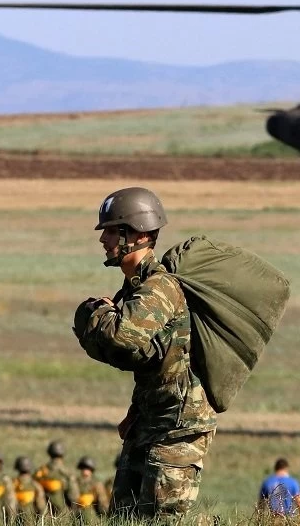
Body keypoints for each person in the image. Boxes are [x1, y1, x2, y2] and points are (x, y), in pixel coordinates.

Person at [73, 187, 218, 522]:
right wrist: (135, 412)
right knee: (123, 516)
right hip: (151, 419)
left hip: (177, 426)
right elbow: (154, 362)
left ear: (137, 235)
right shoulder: (134, 289)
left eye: (111, 230)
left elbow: (124, 336)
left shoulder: (158, 288)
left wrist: (92, 313)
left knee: (161, 519)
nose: (103, 239)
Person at [34, 440, 81, 519]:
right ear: (63, 453)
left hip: (43, 517)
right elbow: (74, 497)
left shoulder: (40, 472)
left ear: (49, 453)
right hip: (63, 517)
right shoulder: (67, 473)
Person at [74, 456, 111, 520]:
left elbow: (103, 505)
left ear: (91, 470)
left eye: (87, 468)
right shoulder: (75, 482)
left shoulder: (97, 485)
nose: (85, 471)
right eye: (83, 468)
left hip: (92, 517)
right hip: (76, 514)